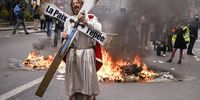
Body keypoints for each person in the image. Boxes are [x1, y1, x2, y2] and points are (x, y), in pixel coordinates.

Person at [62, 0, 102, 100]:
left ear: (82, 5)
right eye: (73, 3)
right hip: (73, 53)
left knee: (86, 82)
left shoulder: (91, 17)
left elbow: (99, 29)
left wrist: (85, 21)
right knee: (72, 82)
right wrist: (63, 36)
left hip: (86, 53)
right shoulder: (68, 20)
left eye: (77, 3)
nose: (75, 5)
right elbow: (65, 34)